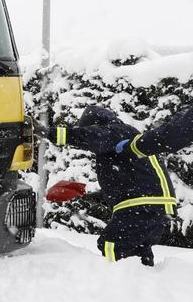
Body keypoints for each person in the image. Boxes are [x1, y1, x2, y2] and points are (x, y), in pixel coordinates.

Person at [40, 106, 175, 265]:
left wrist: (49, 133)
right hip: (156, 205)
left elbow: (92, 137)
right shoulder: (127, 134)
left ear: (96, 125)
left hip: (140, 205)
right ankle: (144, 282)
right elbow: (133, 179)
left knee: (112, 243)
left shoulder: (114, 132)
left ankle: (115, 284)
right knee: (138, 250)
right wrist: (92, 196)